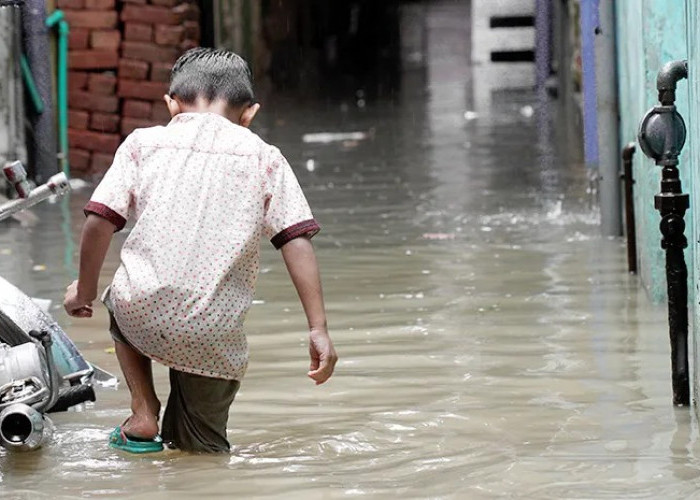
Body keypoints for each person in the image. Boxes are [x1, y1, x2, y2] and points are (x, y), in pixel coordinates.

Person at [63, 48, 338, 454]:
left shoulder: (143, 144)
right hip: (213, 330)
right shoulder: (265, 158)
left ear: (171, 104)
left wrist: (83, 292)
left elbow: (100, 220)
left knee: (118, 296)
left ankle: (142, 411)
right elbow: (295, 239)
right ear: (250, 114)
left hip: (142, 309)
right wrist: (318, 328)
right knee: (201, 452)